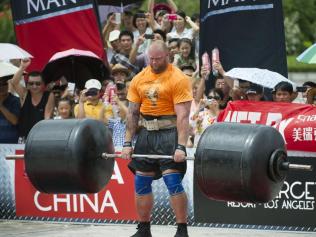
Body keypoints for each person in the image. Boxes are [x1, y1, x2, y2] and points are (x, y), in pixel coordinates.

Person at [122, 40, 192, 237]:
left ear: (167, 56)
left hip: (169, 134)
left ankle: (182, 229)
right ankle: (143, 229)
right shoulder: (139, 78)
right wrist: (127, 142)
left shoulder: (178, 78)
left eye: (158, 59)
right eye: (150, 59)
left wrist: (181, 146)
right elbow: (132, 114)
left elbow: (183, 116)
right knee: (141, 183)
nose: (154, 62)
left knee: (173, 182)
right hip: (146, 135)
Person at [10, 59, 55, 139]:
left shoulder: (49, 95)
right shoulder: (25, 93)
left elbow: (47, 118)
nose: (34, 86)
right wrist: (22, 67)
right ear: (27, 85)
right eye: (31, 83)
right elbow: (14, 82)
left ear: (43, 85)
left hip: (40, 136)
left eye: (38, 83)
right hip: (23, 137)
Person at [0, 78, 20, 143]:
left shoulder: (15, 100)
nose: (2, 87)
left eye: (4, 84)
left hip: (11, 145)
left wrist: (1, 107)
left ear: (8, 84)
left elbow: (14, 121)